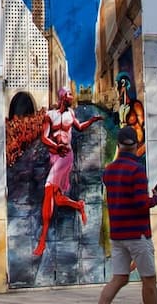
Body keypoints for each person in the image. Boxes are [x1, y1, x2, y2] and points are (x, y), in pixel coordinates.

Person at [36, 86, 102, 257]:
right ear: (62, 97)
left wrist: (92, 120)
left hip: (66, 156)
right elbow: (44, 137)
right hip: (54, 156)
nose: (72, 96)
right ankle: (79, 205)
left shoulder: (71, 114)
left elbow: (79, 127)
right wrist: (55, 146)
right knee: (57, 199)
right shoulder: (50, 115)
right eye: (70, 94)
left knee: (49, 189)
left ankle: (42, 242)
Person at [99, 127, 157, 304]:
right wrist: (155, 199)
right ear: (136, 145)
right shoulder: (137, 170)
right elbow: (141, 204)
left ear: (119, 145)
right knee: (149, 280)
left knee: (119, 278)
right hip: (137, 235)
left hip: (118, 235)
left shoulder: (109, 171)